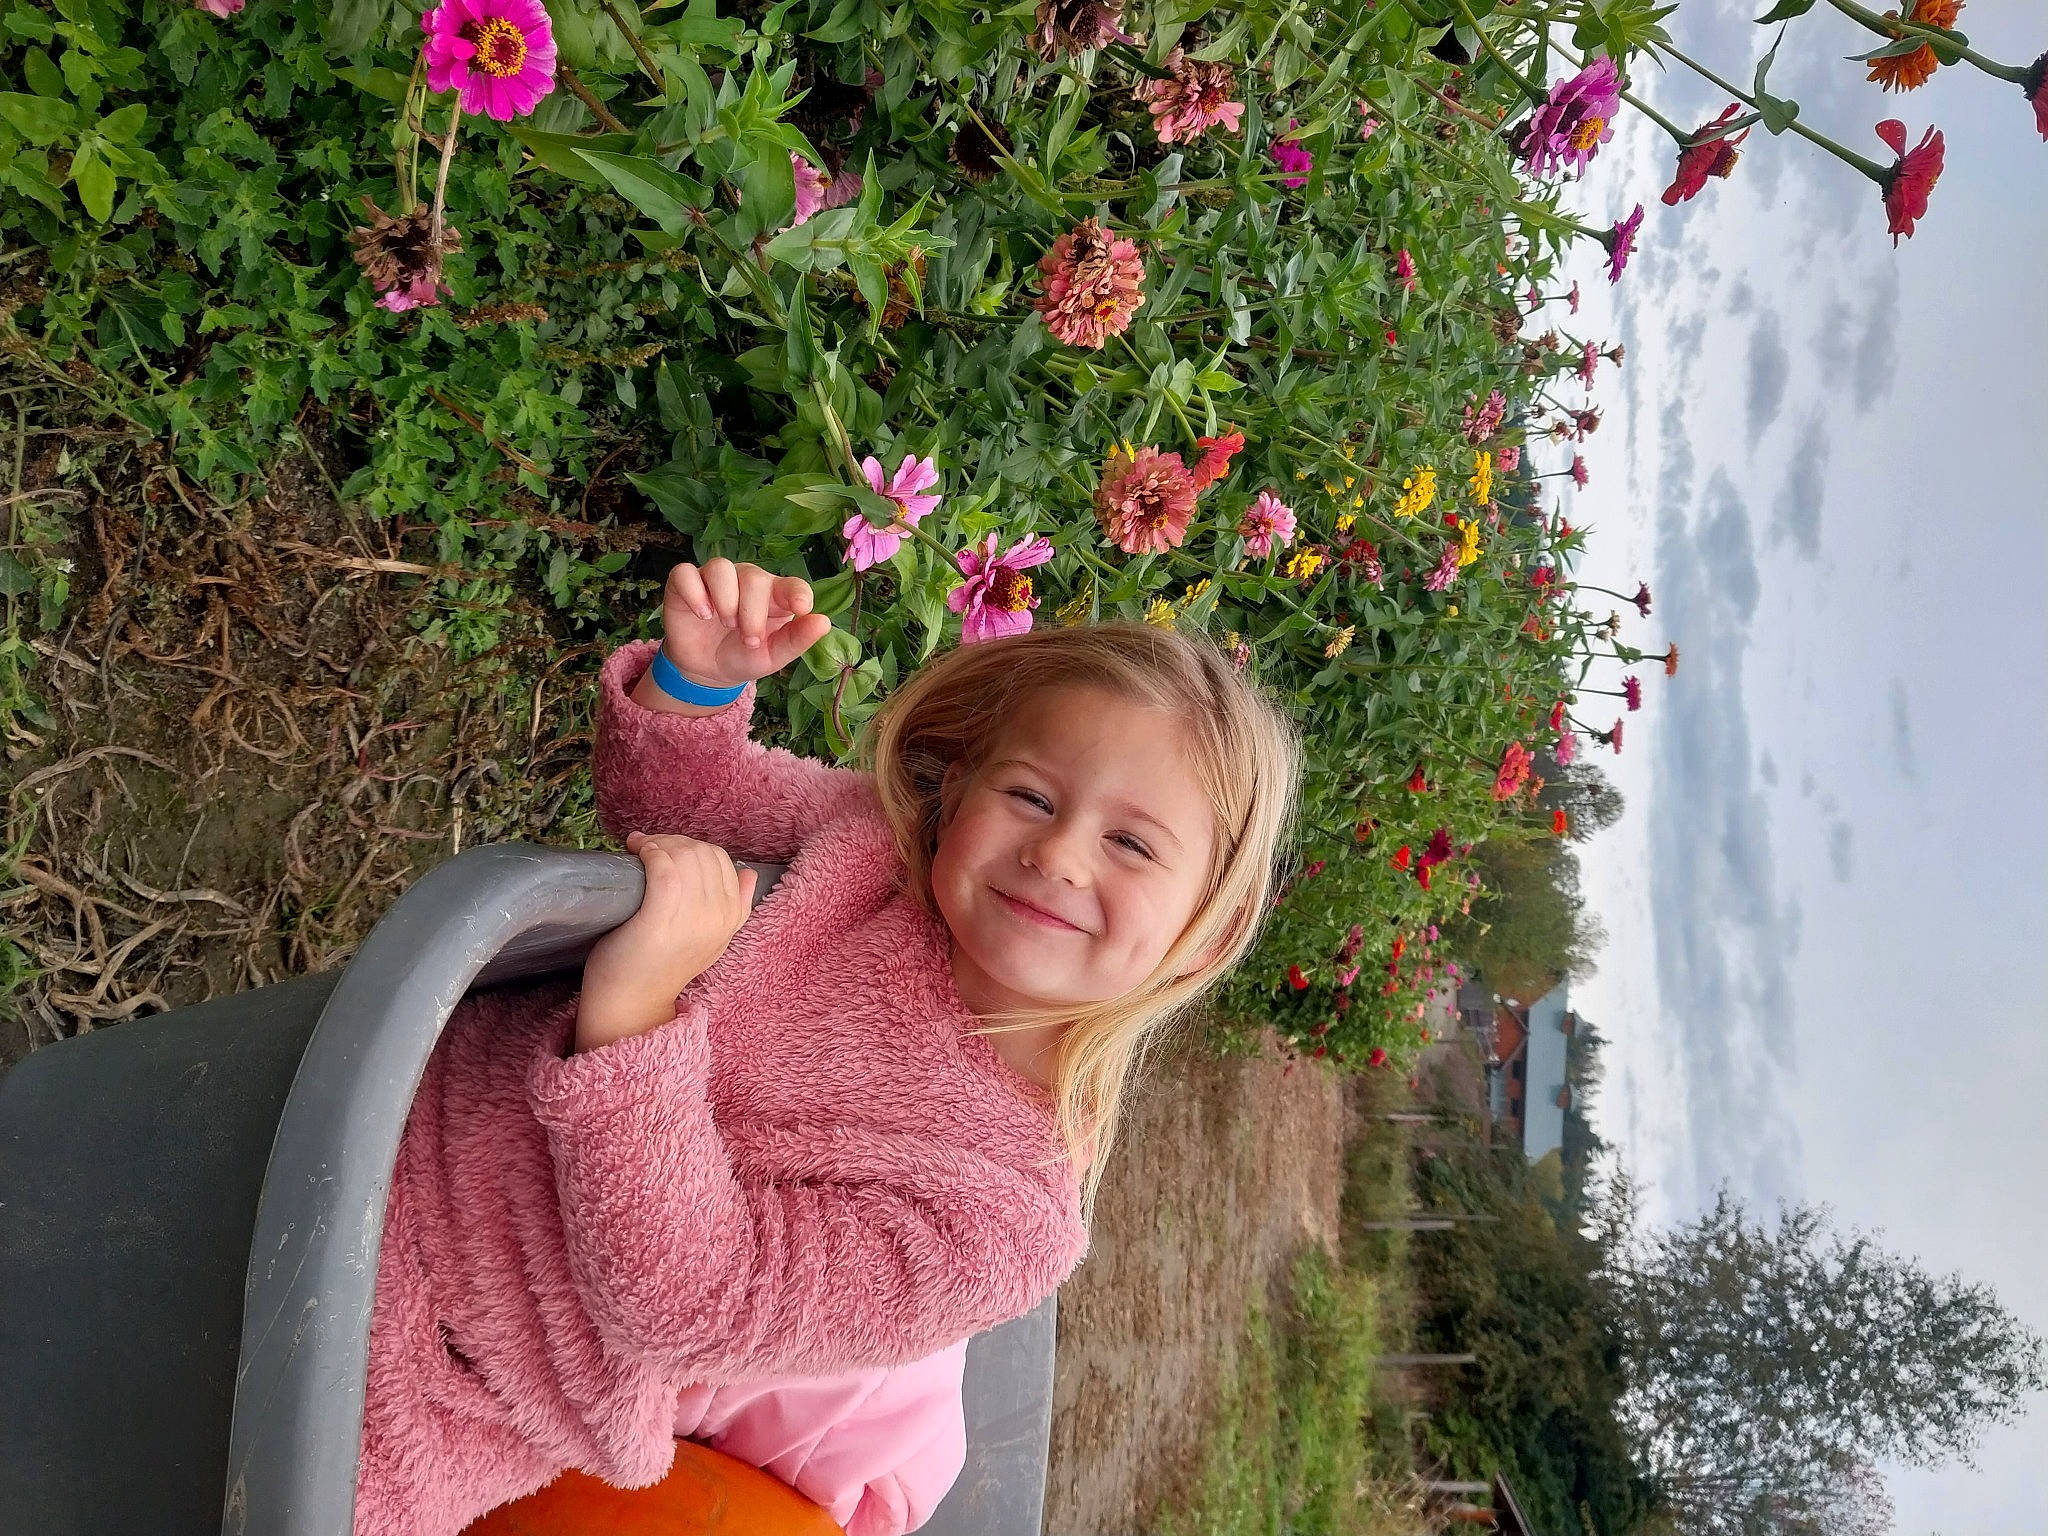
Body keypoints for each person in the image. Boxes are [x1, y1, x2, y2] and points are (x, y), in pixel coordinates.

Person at [352, 557, 1304, 1536]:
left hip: (444, 1370)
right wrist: (697, 683)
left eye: (1132, 845)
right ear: (963, 783)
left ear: (1208, 932)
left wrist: (633, 1019)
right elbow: (675, 811)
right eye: (1030, 796)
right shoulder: (865, 850)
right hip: (368, 1098)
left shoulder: (1003, 1219)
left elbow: (685, 1303)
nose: (1057, 856)